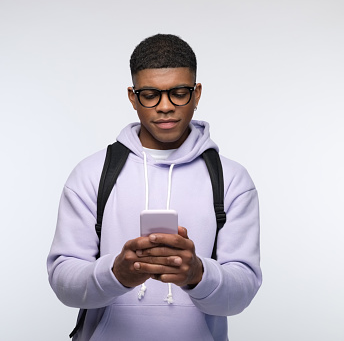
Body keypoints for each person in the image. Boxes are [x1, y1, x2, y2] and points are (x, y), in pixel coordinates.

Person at [47, 34, 262, 341]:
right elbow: (62, 281)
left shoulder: (232, 179)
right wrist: (117, 273)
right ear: (133, 97)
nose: (164, 107)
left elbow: (241, 294)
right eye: (150, 94)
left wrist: (197, 274)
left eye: (178, 92)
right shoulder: (91, 174)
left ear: (197, 93)